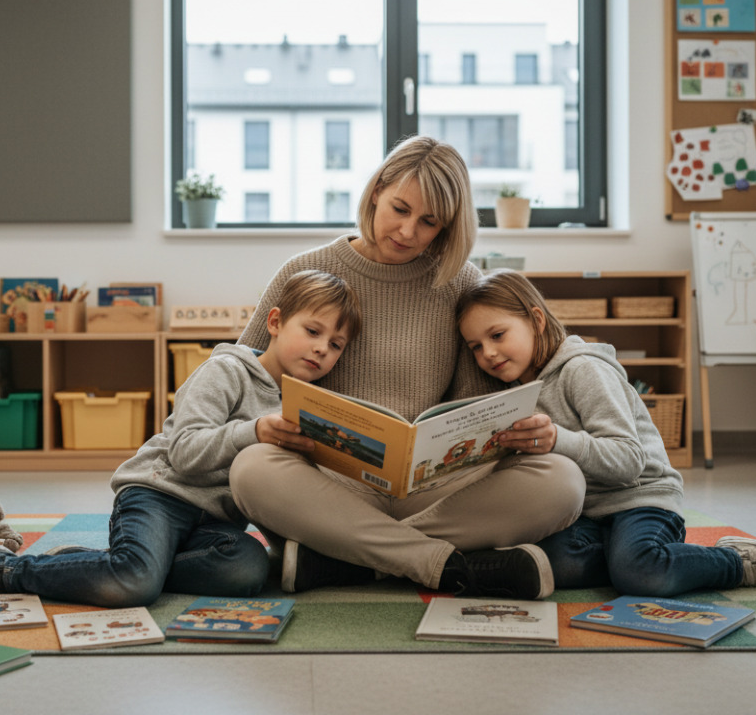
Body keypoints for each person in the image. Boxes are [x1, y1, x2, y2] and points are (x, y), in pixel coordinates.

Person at [230, 135, 586, 601]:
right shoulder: (306, 269)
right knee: (251, 469)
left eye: (429, 222)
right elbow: (244, 377)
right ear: (376, 190)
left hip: (433, 489)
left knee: (562, 481)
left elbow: (477, 407)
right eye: (400, 208)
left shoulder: (461, 282)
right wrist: (271, 427)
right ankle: (440, 563)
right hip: (330, 484)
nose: (407, 231)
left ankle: (347, 558)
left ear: (447, 227)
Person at [0, 269, 362, 606]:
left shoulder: (309, 406)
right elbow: (186, 454)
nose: (323, 348)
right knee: (135, 583)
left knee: (247, 572)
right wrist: (254, 431)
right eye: (313, 331)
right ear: (276, 322)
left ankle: (100, 564)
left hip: (215, 524)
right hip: (160, 495)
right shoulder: (226, 371)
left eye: (337, 344)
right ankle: (4, 570)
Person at [455, 269, 756, 597]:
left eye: (498, 335)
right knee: (555, 564)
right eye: (475, 346)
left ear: (536, 320)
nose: (488, 353)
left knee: (642, 573)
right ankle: (636, 558)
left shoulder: (583, 370)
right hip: (585, 514)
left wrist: (557, 440)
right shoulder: (513, 393)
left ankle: (738, 561)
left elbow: (628, 462)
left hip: (641, 499)